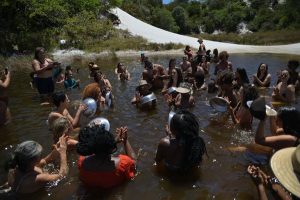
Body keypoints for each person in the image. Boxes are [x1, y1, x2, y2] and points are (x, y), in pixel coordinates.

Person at [1, 135, 68, 194]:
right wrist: (63, 152)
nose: (41, 156)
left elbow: (43, 161)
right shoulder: (38, 178)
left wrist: (55, 152)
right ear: (32, 161)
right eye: (40, 155)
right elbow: (62, 175)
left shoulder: (15, 168)